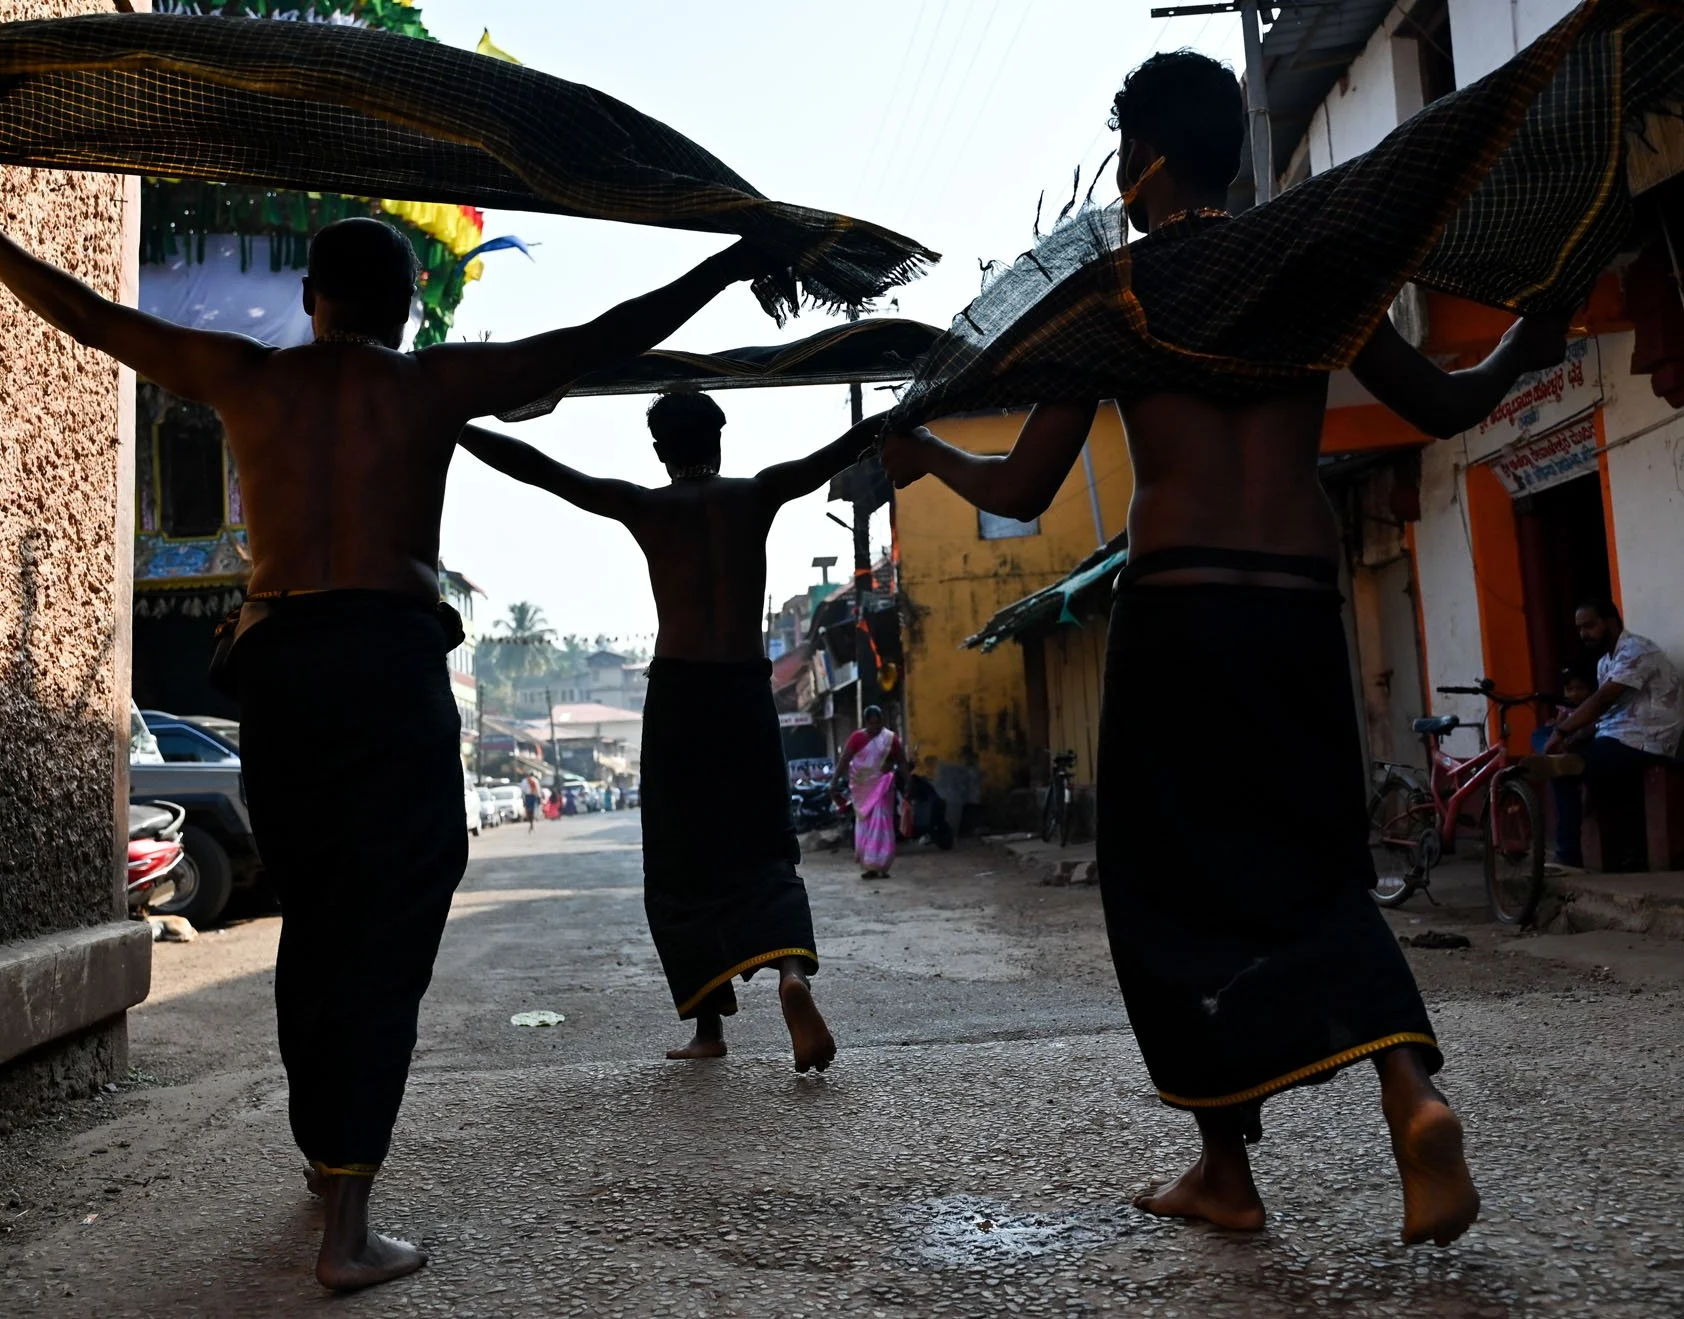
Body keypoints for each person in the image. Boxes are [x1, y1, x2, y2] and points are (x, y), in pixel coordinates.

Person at [0, 176, 775, 1290]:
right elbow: (600, 336)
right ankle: (347, 1224)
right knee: (391, 907)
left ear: (310, 298)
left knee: (315, 909)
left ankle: (330, 1155)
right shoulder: (434, 382)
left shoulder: (243, 375)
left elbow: (89, 316)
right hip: (389, 660)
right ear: (409, 304)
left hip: (283, 669)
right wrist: (728, 264)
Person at [880, 52, 1574, 1247]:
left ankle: (1226, 1167)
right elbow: (1452, 406)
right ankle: (1410, 1094)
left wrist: (926, 452)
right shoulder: (1314, 268)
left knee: (1166, 887)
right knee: (1316, 865)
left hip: (1182, 608)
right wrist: (1540, 325)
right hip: (1299, 602)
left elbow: (1029, 484)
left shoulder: (1117, 296)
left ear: (1142, 157)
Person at [458, 393, 884, 1071]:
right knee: (767, 845)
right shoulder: (760, 493)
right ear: (720, 437)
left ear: (660, 450)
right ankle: (792, 978)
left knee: (682, 863)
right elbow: (848, 443)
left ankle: (709, 1029)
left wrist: (453, 418)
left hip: (681, 694)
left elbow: (540, 469)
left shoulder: (647, 505)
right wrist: (924, 399)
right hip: (745, 688)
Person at [1546, 599, 1684, 868]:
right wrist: (1576, 736)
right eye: (1580, 628)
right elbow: (1606, 715)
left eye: (1589, 625)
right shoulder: (1605, 663)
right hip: (1618, 737)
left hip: (1647, 739)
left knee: (1562, 769)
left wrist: (1563, 731)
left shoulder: (1637, 650)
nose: (1584, 634)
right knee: (1566, 757)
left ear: (1610, 622)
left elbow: (1602, 700)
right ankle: (1622, 855)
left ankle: (1569, 857)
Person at [835, 706, 907, 879]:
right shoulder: (856, 738)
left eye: (878, 722)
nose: (875, 726)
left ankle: (881, 864)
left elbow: (901, 761)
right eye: (871, 723)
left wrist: (908, 781)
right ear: (865, 722)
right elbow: (845, 759)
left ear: (882, 721)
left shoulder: (890, 738)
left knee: (882, 823)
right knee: (865, 825)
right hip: (862, 789)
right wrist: (833, 781)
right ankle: (869, 866)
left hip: (883, 787)